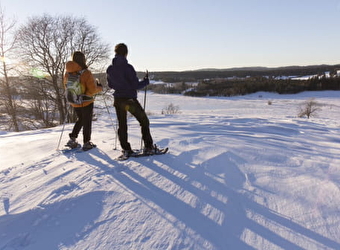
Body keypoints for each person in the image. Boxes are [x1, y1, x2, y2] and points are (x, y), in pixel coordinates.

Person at [106, 43, 156, 157]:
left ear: (115, 53)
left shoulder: (110, 69)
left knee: (122, 125)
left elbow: (110, 85)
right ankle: (148, 147)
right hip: (129, 100)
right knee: (144, 121)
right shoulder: (128, 68)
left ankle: (126, 149)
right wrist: (146, 81)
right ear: (126, 53)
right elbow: (135, 85)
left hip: (118, 99)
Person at [64, 51, 102, 151]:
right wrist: (99, 87)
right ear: (83, 60)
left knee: (80, 119)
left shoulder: (67, 73)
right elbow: (92, 90)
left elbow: (65, 86)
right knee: (87, 121)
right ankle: (86, 142)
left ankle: (72, 138)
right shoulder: (86, 73)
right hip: (86, 102)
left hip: (74, 101)